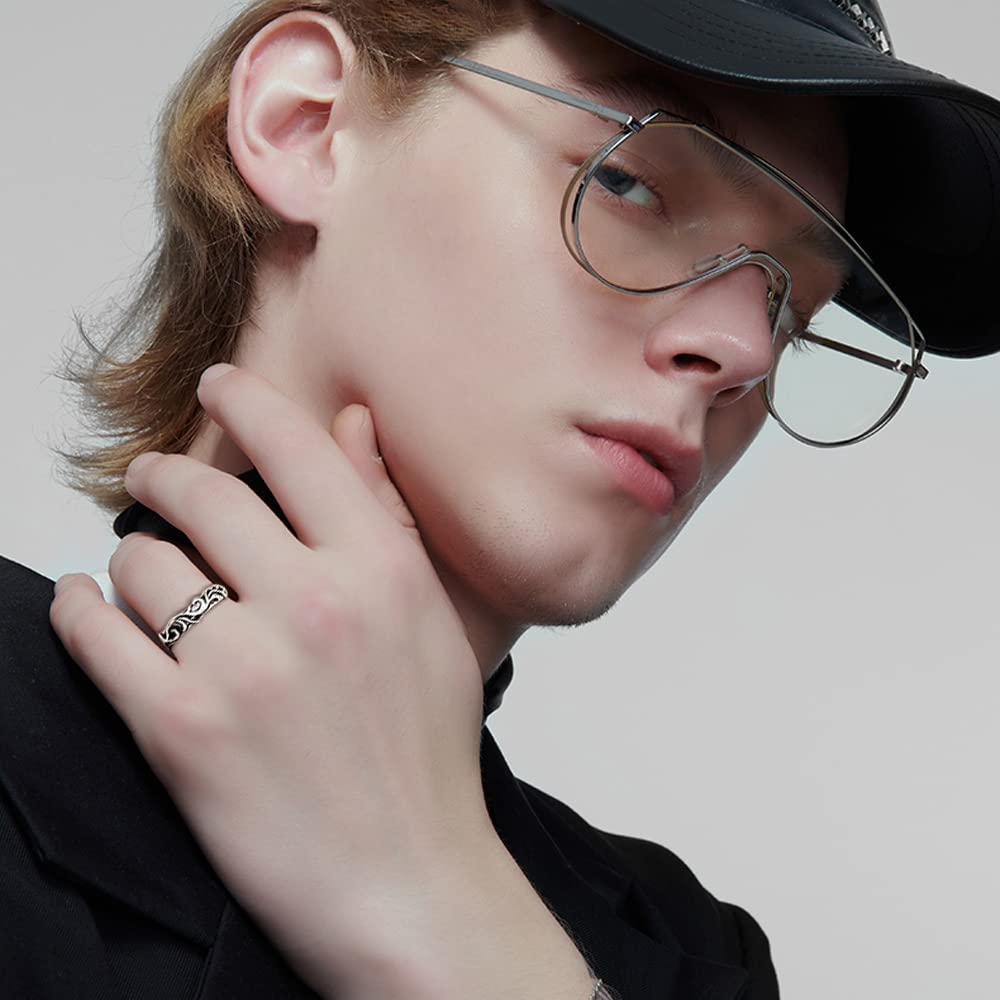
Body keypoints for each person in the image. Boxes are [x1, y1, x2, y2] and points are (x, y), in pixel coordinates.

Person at [2, 1, 999, 997]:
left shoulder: (692, 955)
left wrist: (442, 911)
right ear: (304, 124)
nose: (743, 349)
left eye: (791, 307)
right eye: (630, 182)